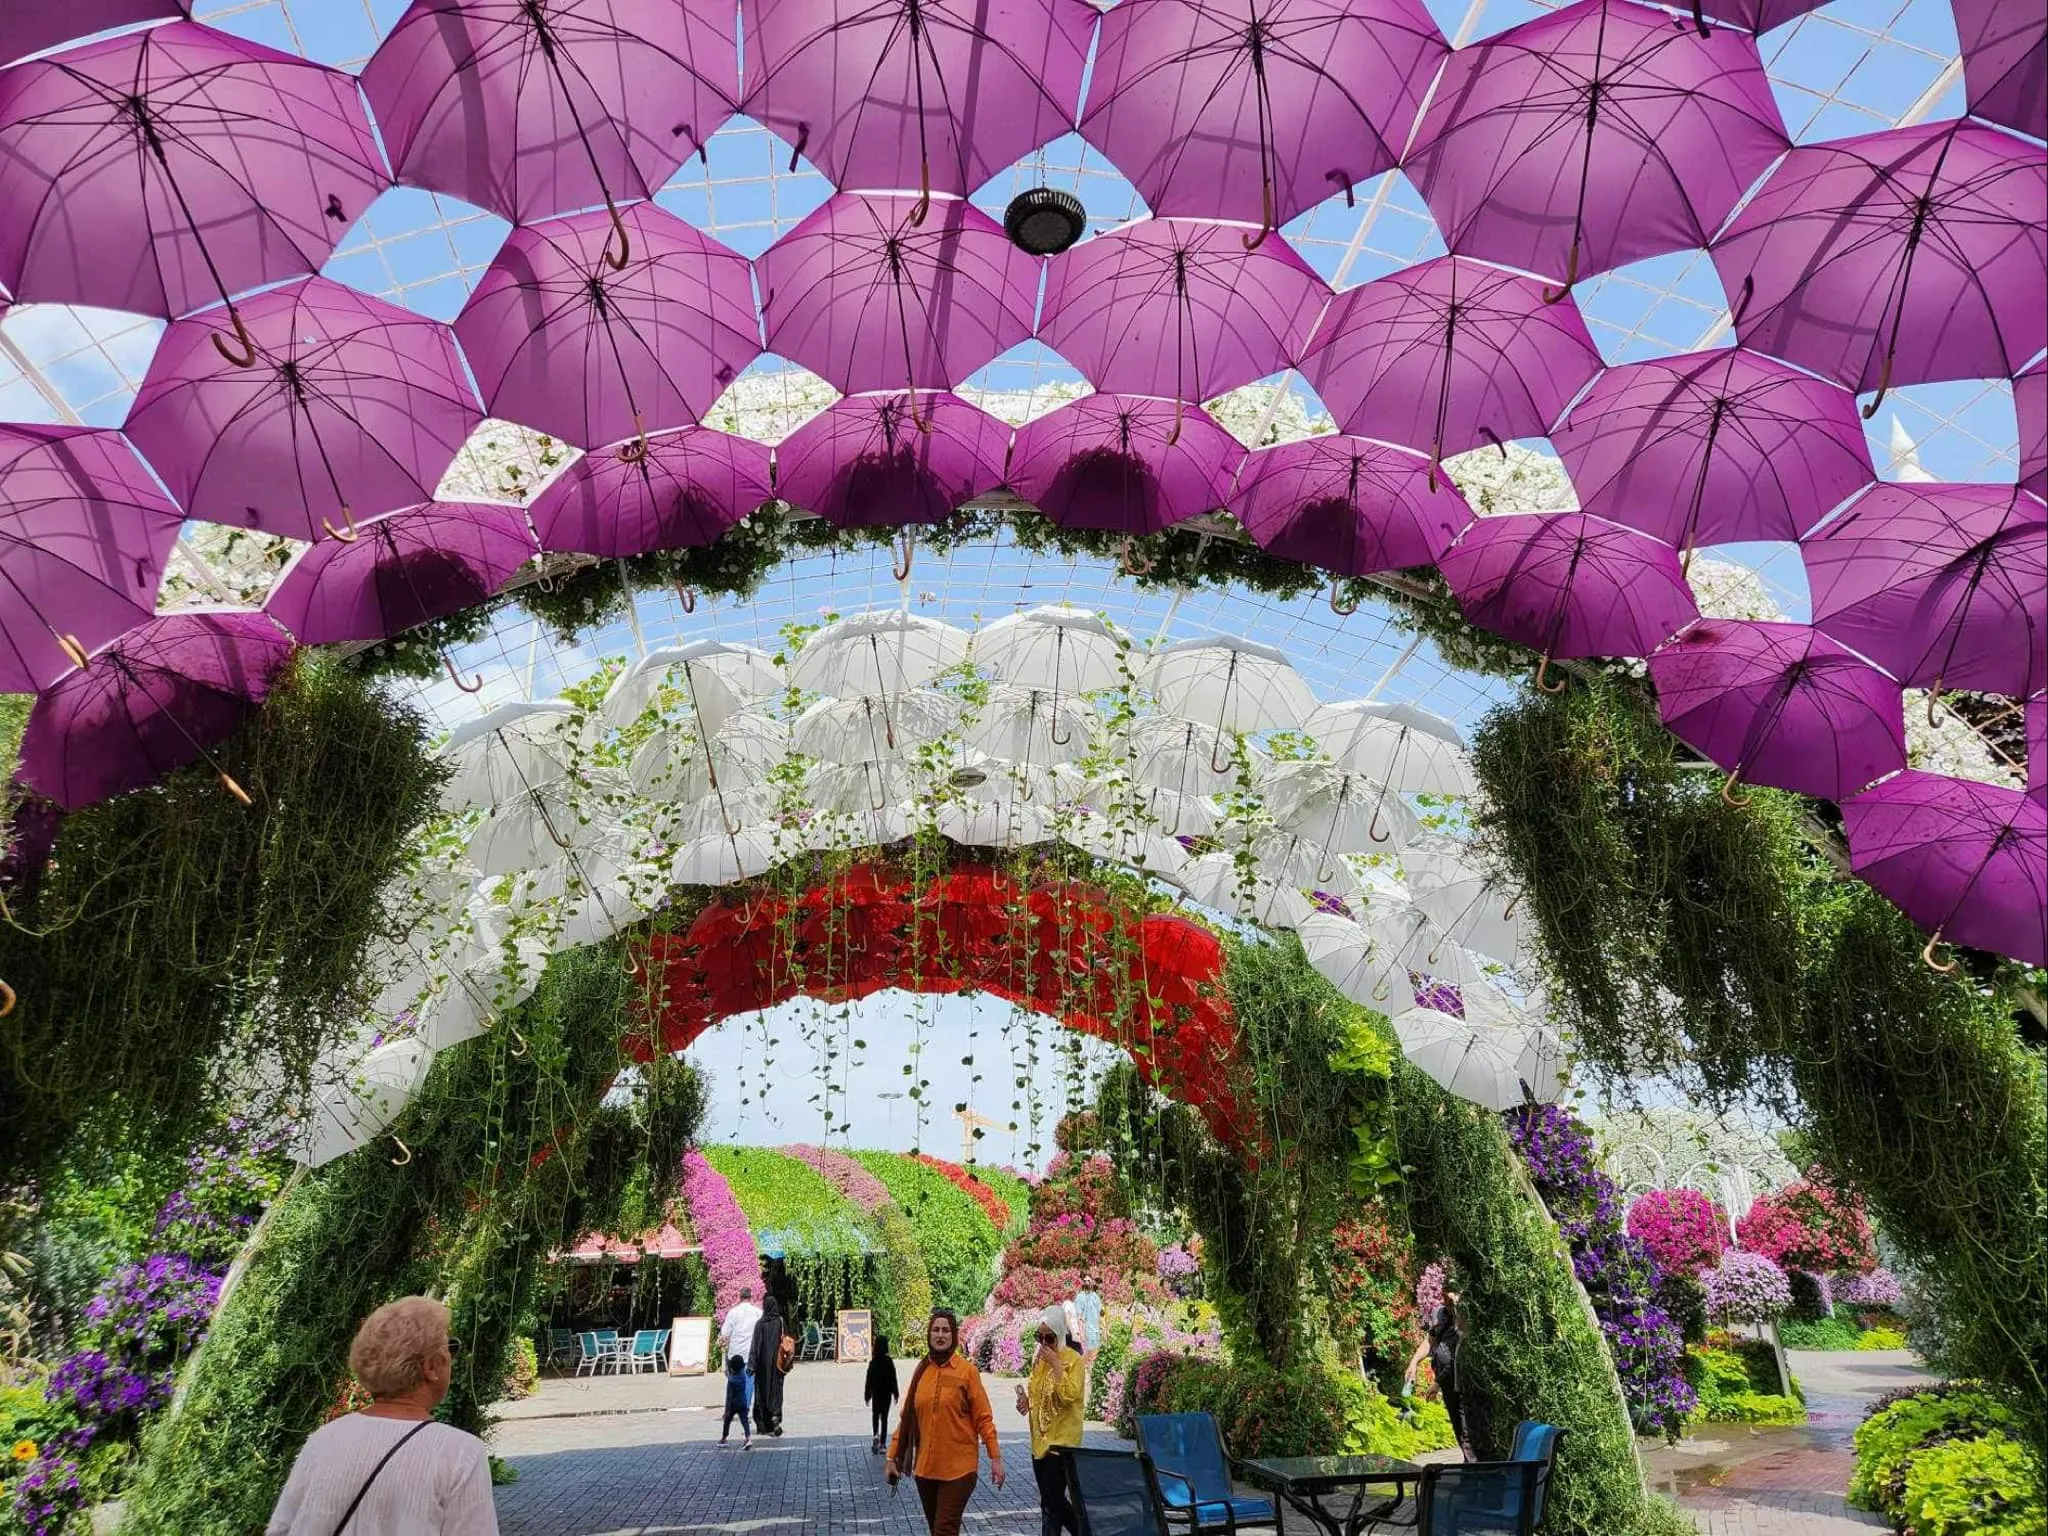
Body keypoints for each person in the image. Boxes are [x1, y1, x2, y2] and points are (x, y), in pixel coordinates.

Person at [266, 1296, 498, 1535]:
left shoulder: (322, 1439)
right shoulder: (459, 1454)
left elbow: (281, 1529)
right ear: (430, 1367)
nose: (452, 1357)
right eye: (451, 1347)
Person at [886, 1309, 1005, 1536]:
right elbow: (908, 1419)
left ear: (954, 1336)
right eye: (936, 1330)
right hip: (926, 1470)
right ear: (929, 1335)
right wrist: (892, 1456)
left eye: (946, 1330)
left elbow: (983, 1417)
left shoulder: (967, 1372)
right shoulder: (922, 1371)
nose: (940, 1335)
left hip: (959, 1470)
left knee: (944, 1529)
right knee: (939, 1530)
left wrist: (995, 1456)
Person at [1015, 1307, 1084, 1536]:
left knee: (1053, 1498)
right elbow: (1037, 1394)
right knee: (1048, 1503)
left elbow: (1068, 1396)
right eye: (1040, 1337)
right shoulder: (1040, 1359)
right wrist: (1026, 1402)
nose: (1044, 1342)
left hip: (1062, 1442)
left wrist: (1056, 1364)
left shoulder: (1073, 1361)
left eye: (1049, 1337)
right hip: (1040, 1442)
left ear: (1061, 1333)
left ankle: (1086, 1531)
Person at [1407, 1289, 1468, 1458]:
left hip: (1462, 1382)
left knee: (1467, 1428)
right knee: (1458, 1427)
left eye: (1452, 1301)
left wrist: (1437, 1382)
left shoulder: (1463, 1317)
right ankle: (1468, 1463)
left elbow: (1455, 1357)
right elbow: (1430, 1341)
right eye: (1447, 1301)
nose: (1449, 1305)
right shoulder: (1439, 1314)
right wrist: (1414, 1362)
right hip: (1448, 1383)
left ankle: (1475, 1468)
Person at [748, 1294, 789, 1437]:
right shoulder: (780, 1322)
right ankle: (776, 1417)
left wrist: (751, 1365)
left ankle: (763, 1424)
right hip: (777, 1365)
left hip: (762, 1366)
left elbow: (755, 1346)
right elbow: (787, 1341)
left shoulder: (760, 1324)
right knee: (776, 1392)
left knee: (762, 1393)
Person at [719, 1285, 763, 1418]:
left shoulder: (733, 1312)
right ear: (751, 1297)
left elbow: (725, 1332)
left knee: (733, 1381)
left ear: (740, 1297)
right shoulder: (757, 1312)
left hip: (735, 1352)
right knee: (749, 1381)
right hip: (751, 1352)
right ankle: (746, 1409)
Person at [864, 1332, 900, 1454]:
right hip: (886, 1394)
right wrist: (896, 1393)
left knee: (875, 1415)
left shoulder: (873, 1362)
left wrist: (867, 1395)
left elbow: (868, 1380)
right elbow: (893, 1378)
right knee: (884, 1418)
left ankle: (875, 1435)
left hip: (876, 1393)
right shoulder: (889, 1362)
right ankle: (883, 1444)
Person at [720, 1348, 752, 1448]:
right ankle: (748, 1438)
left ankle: (724, 1438)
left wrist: (726, 1410)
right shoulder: (743, 1376)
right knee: (744, 1421)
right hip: (743, 1402)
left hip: (733, 1404)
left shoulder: (731, 1381)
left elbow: (729, 1397)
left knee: (727, 1421)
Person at [1071, 1276, 1103, 1360]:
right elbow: (1078, 1315)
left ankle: (1091, 1370)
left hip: (1095, 1329)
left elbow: (1100, 1312)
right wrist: (1081, 1332)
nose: (1087, 1283)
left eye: (1088, 1281)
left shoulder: (1095, 1296)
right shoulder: (1080, 1297)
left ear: (1092, 1282)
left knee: (1094, 1354)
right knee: (1085, 1355)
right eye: (1085, 1281)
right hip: (1085, 1329)